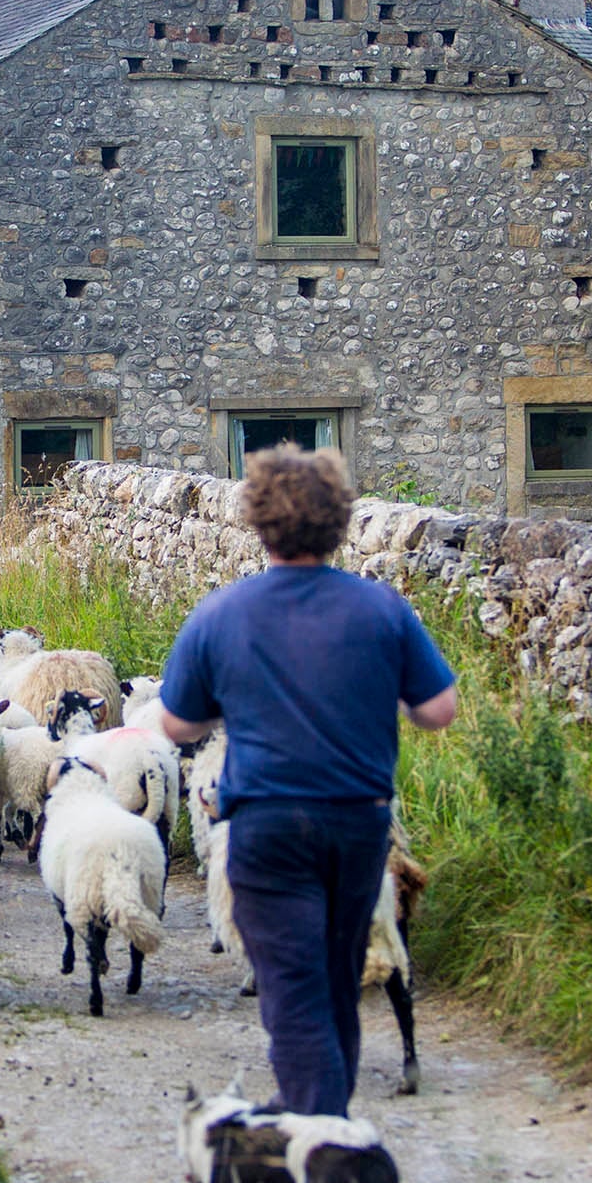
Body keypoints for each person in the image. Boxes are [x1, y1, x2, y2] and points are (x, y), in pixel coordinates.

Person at [158, 445, 457, 1118]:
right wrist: (389, 693)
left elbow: (177, 724)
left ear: (258, 522)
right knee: (336, 975)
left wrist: (226, 697)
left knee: (291, 987)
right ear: (340, 519)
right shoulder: (381, 610)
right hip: (358, 825)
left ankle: (316, 1132)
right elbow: (439, 710)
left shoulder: (223, 614)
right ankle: (325, 1122)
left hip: (266, 825)